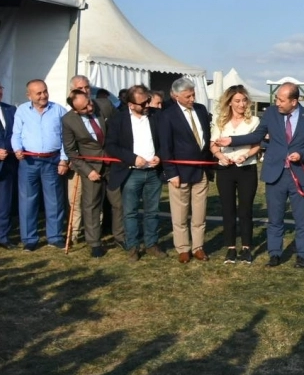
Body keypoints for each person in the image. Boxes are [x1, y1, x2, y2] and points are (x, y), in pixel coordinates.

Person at [217, 82, 304, 268]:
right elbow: (257, 136)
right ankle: (275, 254)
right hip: (275, 174)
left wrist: (302, 154)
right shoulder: (271, 113)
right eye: (277, 99)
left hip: (299, 174)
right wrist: (232, 140)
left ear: (294, 101)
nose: (277, 103)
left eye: (281, 100)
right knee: (275, 218)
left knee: (302, 219)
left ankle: (302, 255)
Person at [105, 85, 167, 261]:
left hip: (153, 173)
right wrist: (132, 159)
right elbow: (111, 146)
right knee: (130, 212)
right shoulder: (118, 120)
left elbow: (165, 141)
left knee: (152, 211)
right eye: (143, 103)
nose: (147, 105)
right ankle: (133, 246)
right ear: (131, 105)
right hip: (131, 173)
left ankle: (151, 244)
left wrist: (159, 156)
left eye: (148, 101)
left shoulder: (157, 116)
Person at [61, 90, 124, 258]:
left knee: (118, 203)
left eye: (89, 103)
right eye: (84, 108)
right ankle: (95, 243)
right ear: (75, 110)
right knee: (91, 206)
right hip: (91, 168)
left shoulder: (105, 105)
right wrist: (88, 171)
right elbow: (71, 151)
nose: (90, 108)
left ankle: (120, 236)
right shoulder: (68, 120)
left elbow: (121, 126)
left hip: (113, 163)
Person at [158, 77, 213, 264]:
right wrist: (171, 172)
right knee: (180, 214)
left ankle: (198, 247)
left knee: (199, 213)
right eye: (188, 96)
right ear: (176, 96)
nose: (192, 99)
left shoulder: (201, 110)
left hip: (201, 170)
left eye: (193, 95)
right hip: (179, 173)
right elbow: (165, 147)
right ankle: (182, 248)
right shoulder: (167, 115)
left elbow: (206, 136)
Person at [11, 79, 69, 251]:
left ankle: (55, 237)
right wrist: (17, 149)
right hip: (28, 161)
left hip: (52, 161)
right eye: (38, 93)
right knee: (27, 201)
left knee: (54, 200)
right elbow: (16, 134)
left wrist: (64, 159)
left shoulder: (58, 110)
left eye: (45, 91)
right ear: (29, 95)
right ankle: (29, 239)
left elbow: (66, 137)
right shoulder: (22, 111)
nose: (43, 95)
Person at [209, 85, 260, 265]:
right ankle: (230, 248)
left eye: (244, 100)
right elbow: (213, 144)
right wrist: (220, 156)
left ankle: (246, 247)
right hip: (225, 170)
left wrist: (246, 155)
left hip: (246, 169)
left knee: (245, 210)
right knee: (227, 209)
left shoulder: (253, 121)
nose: (241, 104)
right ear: (229, 102)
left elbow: (257, 145)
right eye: (237, 101)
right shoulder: (220, 121)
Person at [0, 83, 17, 249]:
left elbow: (16, 134)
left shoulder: (11, 110)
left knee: (4, 203)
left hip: (8, 164)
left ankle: (3, 236)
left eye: (0, 88)